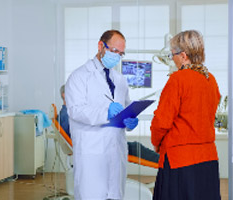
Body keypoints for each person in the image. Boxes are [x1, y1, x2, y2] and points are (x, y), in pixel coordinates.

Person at [65, 30, 139, 200]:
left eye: (121, 53)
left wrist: (130, 120)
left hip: (115, 149)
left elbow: (126, 107)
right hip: (92, 150)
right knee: (92, 194)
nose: (117, 57)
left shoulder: (120, 79)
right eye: (114, 51)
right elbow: (75, 110)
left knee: (114, 195)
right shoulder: (79, 77)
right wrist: (105, 112)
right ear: (101, 46)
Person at [151, 30, 221, 200]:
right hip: (208, 158)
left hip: (180, 161)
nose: (172, 58)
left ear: (183, 56)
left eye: (172, 54)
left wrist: (156, 143)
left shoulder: (178, 79)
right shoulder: (210, 80)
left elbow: (161, 121)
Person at [58, 84, 159, 163]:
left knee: (131, 144)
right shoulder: (67, 115)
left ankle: (163, 161)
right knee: (134, 147)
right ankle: (163, 162)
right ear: (65, 95)